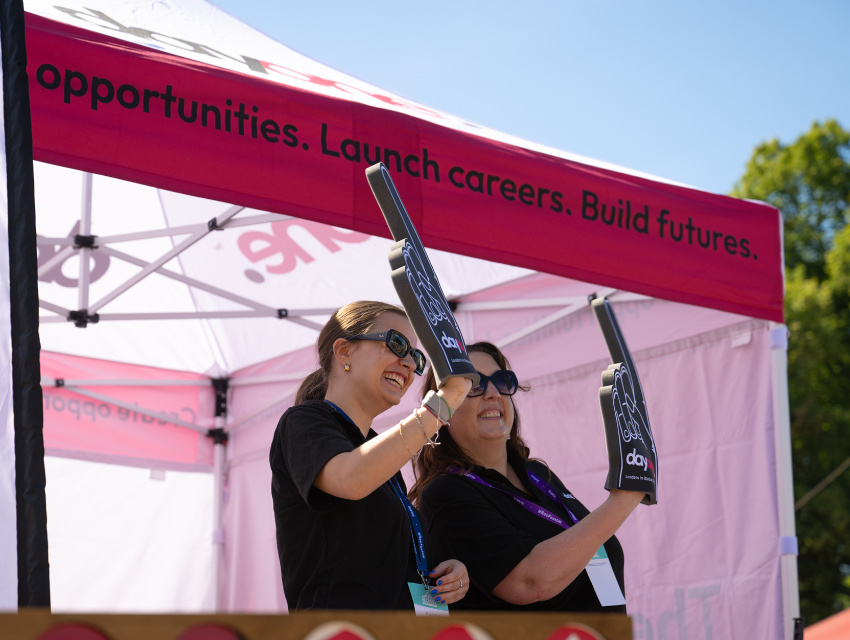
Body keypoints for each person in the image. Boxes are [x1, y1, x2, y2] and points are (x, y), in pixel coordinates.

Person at [410, 341, 646, 611]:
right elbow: (530, 582)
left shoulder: (537, 474)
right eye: (473, 384)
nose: (493, 393)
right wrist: (625, 497)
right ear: (443, 409)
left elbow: (591, 551)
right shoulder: (446, 492)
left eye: (502, 381)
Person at [269, 300, 471, 611]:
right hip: (340, 628)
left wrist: (442, 576)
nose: (409, 363)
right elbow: (351, 479)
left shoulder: (379, 448)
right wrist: (440, 406)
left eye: (416, 357)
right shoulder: (303, 421)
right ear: (344, 351)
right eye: (397, 344)